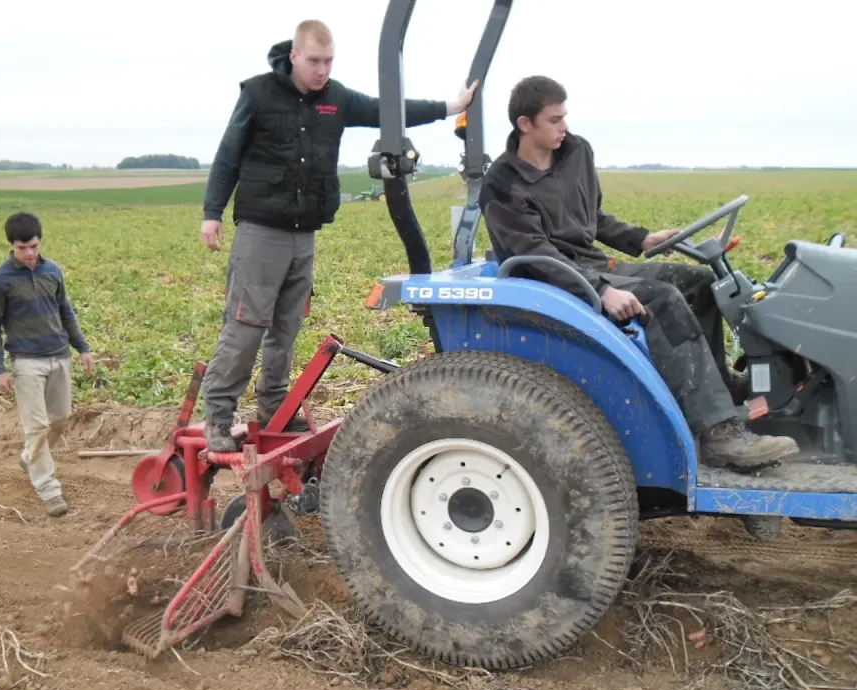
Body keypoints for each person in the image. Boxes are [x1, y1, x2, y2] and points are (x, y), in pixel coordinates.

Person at [478, 75, 798, 470]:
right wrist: (601, 291)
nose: (565, 127)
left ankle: (717, 386)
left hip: (591, 264)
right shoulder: (502, 184)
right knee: (661, 299)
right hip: (550, 279)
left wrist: (645, 239)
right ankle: (718, 434)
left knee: (699, 284)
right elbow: (534, 252)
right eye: (554, 120)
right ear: (525, 124)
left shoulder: (576, 151)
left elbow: (594, 220)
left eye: (565, 116)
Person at [199, 19, 478, 452]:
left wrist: (449, 105)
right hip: (261, 232)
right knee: (247, 325)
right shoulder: (258, 94)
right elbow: (227, 155)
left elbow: (390, 109)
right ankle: (218, 419)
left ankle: (275, 411)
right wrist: (212, 213)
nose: (322, 70)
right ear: (294, 56)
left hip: (303, 234)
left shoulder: (337, 99)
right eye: (314, 61)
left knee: (286, 327)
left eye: (328, 61)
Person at [0, 212, 95, 516]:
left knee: (60, 419)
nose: (29, 253)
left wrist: (83, 348)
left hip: (59, 355)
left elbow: (66, 312)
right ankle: (48, 489)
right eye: (22, 248)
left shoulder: (53, 271)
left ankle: (29, 458)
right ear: (12, 246)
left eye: (33, 246)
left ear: (40, 240)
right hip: (26, 362)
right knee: (37, 427)